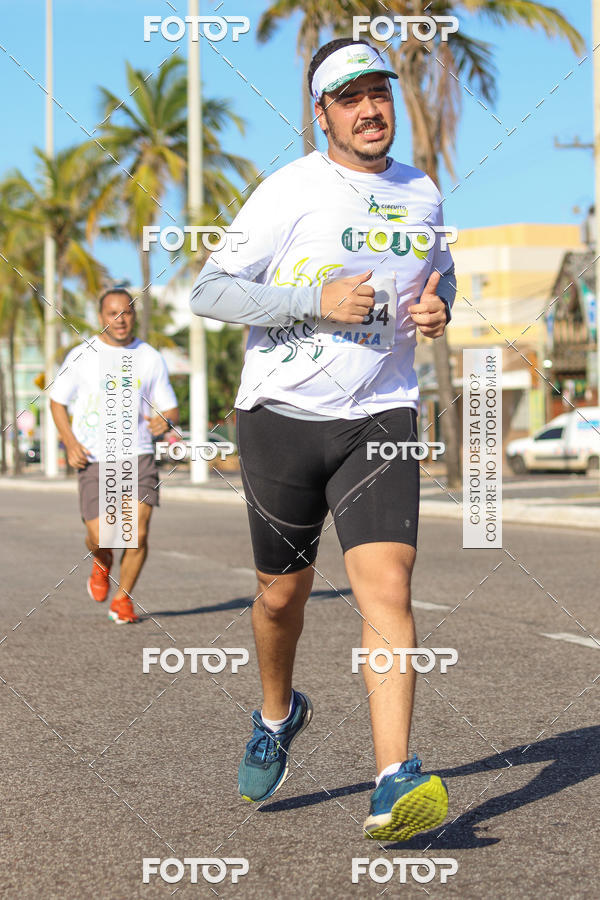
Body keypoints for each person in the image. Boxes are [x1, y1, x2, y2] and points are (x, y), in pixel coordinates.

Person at [190, 37, 456, 841]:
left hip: (382, 415)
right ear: (322, 115)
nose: (370, 109)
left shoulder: (422, 193)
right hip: (281, 419)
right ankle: (277, 713)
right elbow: (209, 290)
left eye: (378, 91)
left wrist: (440, 310)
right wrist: (312, 301)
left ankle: (391, 779)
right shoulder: (290, 189)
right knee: (280, 597)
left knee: (388, 589)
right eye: (350, 98)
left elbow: (439, 277)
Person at [50, 288, 179, 624]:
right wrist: (70, 442)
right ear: (101, 317)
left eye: (127, 313)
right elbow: (56, 401)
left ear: (134, 315)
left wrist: (165, 419)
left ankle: (123, 599)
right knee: (101, 536)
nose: (120, 320)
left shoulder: (149, 356)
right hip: (94, 457)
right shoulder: (81, 355)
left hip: (138, 454)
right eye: (112, 314)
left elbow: (170, 407)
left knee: (138, 532)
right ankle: (102, 560)